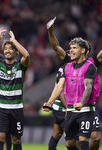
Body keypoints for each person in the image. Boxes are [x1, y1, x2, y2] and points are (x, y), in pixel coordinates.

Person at [47, 18, 101, 150]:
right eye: (70, 49)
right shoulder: (68, 64)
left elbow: (89, 86)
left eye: (74, 48)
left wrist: (82, 102)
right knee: (70, 143)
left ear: (84, 51)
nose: (70, 51)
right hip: (70, 107)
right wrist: (50, 31)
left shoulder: (91, 64)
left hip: (87, 107)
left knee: (95, 138)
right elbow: (55, 46)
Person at [0, 28, 30, 150]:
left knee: (16, 139)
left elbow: (27, 55)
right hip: (1, 108)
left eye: (10, 49)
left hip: (16, 109)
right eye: (5, 49)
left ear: (16, 52)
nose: (7, 51)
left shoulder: (20, 66)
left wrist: (14, 41)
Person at [47, 65, 67, 150]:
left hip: (58, 107)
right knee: (72, 138)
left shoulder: (61, 68)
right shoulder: (67, 69)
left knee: (57, 134)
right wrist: (67, 108)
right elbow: (61, 90)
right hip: (63, 107)